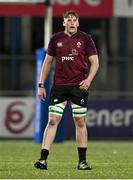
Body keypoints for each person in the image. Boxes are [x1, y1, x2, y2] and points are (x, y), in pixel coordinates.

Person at [34, 10, 99, 170]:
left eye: (74, 20)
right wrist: (41, 84)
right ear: (64, 23)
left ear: (77, 23)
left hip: (79, 86)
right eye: (68, 20)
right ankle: (43, 159)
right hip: (60, 86)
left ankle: (82, 162)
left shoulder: (86, 39)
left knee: (80, 122)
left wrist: (88, 80)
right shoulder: (56, 39)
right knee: (52, 120)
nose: (71, 22)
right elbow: (47, 62)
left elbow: (95, 62)